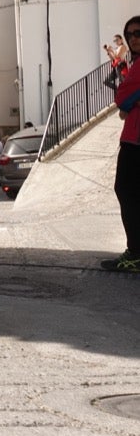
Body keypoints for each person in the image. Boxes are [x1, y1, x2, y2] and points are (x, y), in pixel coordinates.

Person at [103, 16, 140, 272]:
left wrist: (129, 102)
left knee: (126, 191)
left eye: (138, 32)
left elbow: (122, 97)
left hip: (135, 142)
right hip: (132, 137)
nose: (134, 37)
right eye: (130, 34)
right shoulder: (133, 64)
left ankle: (135, 254)